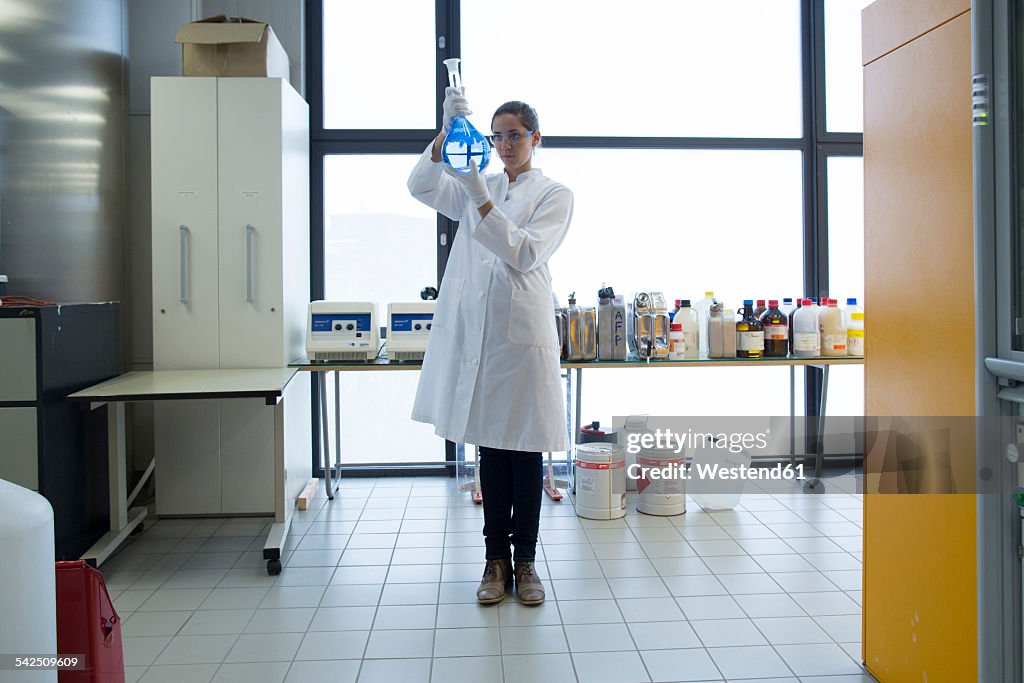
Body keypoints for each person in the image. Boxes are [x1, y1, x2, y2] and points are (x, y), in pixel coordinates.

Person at [407, 87, 573, 606]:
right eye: (495, 136)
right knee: (490, 450)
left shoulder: (554, 195)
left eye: (514, 136)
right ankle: (493, 561)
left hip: (519, 341)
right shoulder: (480, 180)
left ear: (535, 138)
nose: (503, 144)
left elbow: (522, 252)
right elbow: (418, 186)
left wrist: (478, 188)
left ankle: (526, 562)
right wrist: (445, 137)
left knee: (524, 452)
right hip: (479, 336)